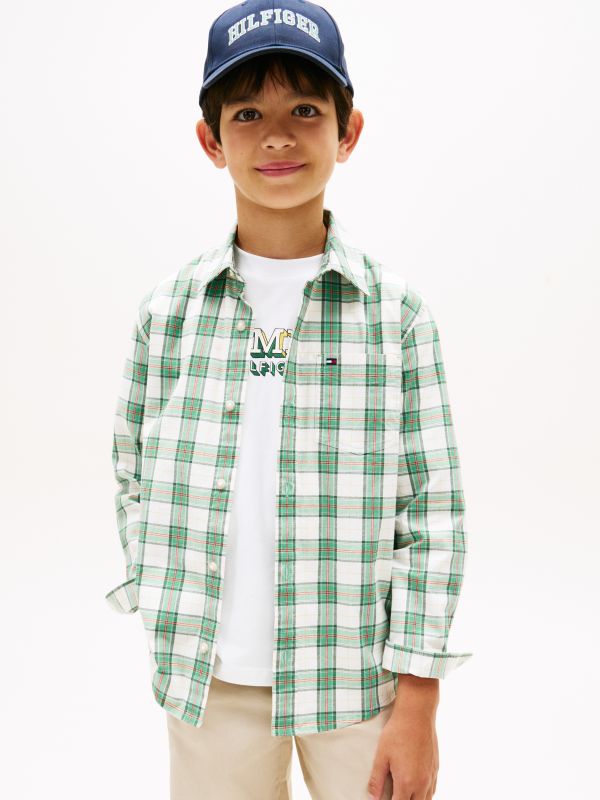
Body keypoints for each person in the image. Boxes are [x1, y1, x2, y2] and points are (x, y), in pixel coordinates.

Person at [105, 1, 473, 798]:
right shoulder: (169, 313)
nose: (277, 136)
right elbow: (131, 471)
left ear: (348, 131)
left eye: (306, 109)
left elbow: (433, 515)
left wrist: (418, 703)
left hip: (357, 685)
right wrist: (160, 591)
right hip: (210, 682)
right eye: (247, 113)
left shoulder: (394, 316)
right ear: (211, 141)